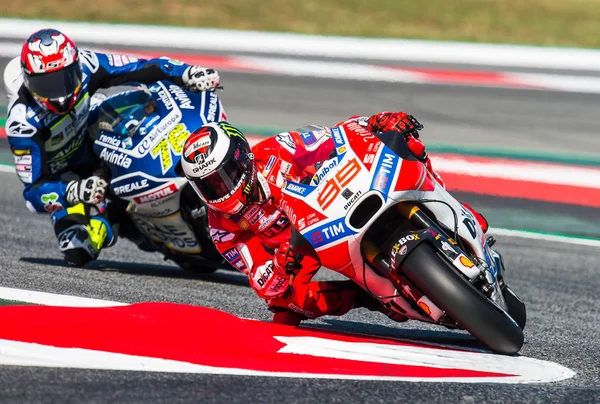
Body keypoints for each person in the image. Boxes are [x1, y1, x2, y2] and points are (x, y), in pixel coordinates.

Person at [180, 113, 488, 325]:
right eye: (209, 185)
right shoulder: (222, 229)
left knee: (403, 142)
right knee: (285, 308)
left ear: (242, 158)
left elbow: (335, 137)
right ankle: (368, 297)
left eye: (223, 176)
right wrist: (278, 269)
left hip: (334, 201)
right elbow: (262, 279)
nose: (221, 189)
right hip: (300, 248)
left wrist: (376, 122)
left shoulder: (277, 149)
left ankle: (452, 209)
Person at [4, 28, 221, 266]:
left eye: (66, 79)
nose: (61, 94)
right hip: (67, 177)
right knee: (78, 248)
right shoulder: (24, 124)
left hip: (96, 134)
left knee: (147, 106)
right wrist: (73, 191)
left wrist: (185, 73)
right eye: (48, 85)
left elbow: (140, 68)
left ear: (75, 66)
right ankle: (127, 223)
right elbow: (33, 192)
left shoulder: (88, 64)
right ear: (28, 81)